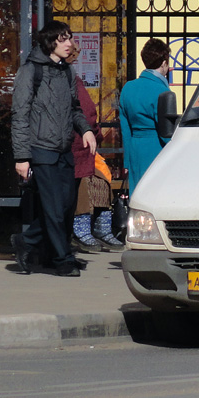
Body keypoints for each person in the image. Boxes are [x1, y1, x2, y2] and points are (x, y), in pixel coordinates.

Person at [11, 20, 97, 277]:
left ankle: (26, 241)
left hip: (64, 150)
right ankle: (63, 260)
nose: (70, 43)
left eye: (70, 38)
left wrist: (87, 130)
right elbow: (19, 115)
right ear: (51, 42)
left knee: (66, 206)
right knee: (54, 208)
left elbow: (74, 110)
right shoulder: (30, 72)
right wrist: (22, 156)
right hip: (41, 150)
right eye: (64, 39)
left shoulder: (67, 72)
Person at [65, 43, 123, 253]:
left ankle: (99, 227)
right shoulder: (70, 79)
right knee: (84, 185)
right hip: (76, 145)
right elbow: (87, 113)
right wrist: (94, 133)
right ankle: (83, 229)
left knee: (101, 176)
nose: (77, 57)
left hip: (82, 146)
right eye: (74, 53)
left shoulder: (71, 78)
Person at [119, 38, 173, 195]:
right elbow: (166, 131)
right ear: (164, 63)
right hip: (156, 147)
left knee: (137, 195)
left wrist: (127, 160)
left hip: (135, 148)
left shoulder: (128, 88)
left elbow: (125, 128)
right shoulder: (162, 91)